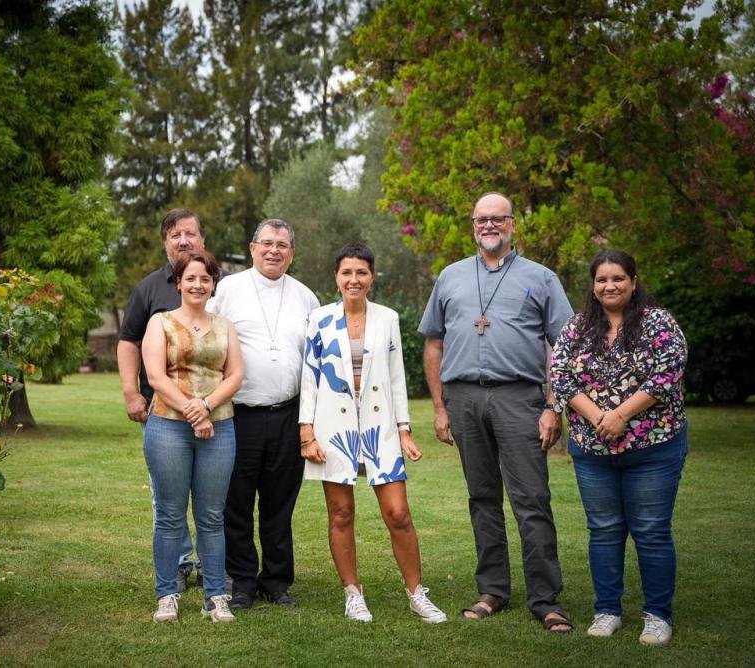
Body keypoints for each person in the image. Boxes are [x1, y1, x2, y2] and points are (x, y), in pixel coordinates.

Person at [418, 192, 574, 633]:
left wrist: (552, 406)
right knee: (482, 498)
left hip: (519, 399)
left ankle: (546, 598)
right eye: (481, 219)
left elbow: (563, 347)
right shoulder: (450, 277)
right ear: (473, 225)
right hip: (464, 399)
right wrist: (439, 407)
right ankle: (493, 590)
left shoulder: (541, 278)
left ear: (512, 225)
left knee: (531, 500)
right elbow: (434, 342)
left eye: (497, 219)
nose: (489, 226)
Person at [299, 242, 448, 624]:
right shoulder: (319, 319)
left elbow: (396, 376)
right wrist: (307, 432)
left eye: (361, 272)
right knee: (341, 512)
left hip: (380, 426)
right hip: (334, 427)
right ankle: (353, 593)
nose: (354, 279)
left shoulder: (388, 318)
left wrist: (404, 430)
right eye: (346, 272)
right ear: (336, 277)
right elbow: (310, 378)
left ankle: (417, 593)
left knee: (398, 513)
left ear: (371, 277)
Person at [550, 249, 688, 646]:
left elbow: (668, 371)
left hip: (654, 449)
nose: (609, 286)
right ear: (592, 287)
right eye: (601, 280)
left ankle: (657, 615)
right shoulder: (578, 328)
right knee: (605, 531)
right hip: (593, 453)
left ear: (633, 281)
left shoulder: (658, 322)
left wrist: (622, 414)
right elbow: (560, 377)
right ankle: (607, 609)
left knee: (651, 531)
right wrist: (599, 417)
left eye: (617, 279)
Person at [208, 219, 320, 610]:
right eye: (267, 243)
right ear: (253, 247)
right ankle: (241, 581)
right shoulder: (227, 290)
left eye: (283, 245)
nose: (275, 250)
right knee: (236, 501)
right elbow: (207, 339)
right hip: (239, 415)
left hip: (289, 414)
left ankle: (276, 580)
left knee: (279, 503)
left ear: (292, 253)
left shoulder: (306, 297)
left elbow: (317, 360)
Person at [141, 250, 243, 623]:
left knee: (213, 517)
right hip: (168, 426)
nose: (198, 285)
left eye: (205, 279)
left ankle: (216, 595)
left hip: (220, 428)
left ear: (213, 284)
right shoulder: (160, 323)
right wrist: (191, 410)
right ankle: (167, 594)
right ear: (178, 283)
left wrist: (207, 406)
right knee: (169, 515)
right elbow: (156, 377)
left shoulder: (225, 325)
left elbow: (235, 375)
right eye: (191, 278)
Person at [118, 208, 204, 593]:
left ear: (202, 240)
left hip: (212, 409)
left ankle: (212, 563)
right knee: (166, 495)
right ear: (165, 242)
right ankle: (181, 562)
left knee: (213, 492)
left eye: (190, 233)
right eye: (174, 235)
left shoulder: (217, 284)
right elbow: (127, 341)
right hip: (163, 411)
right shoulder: (149, 288)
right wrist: (131, 392)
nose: (182, 240)